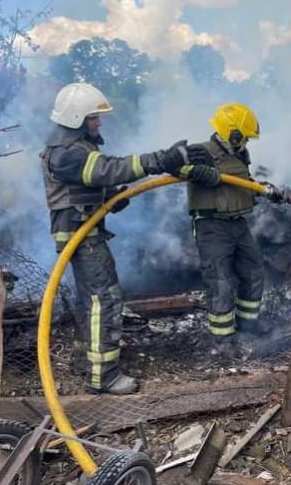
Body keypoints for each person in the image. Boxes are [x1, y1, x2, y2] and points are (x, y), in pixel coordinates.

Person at [40, 82, 214, 394]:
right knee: (105, 300)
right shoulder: (67, 154)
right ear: (77, 118)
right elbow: (108, 169)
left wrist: (109, 198)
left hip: (84, 231)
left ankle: (88, 362)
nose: (99, 123)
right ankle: (104, 376)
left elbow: (92, 182)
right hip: (82, 236)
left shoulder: (73, 148)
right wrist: (162, 159)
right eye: (93, 118)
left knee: (91, 301)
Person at [178, 103, 284, 349]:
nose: (246, 143)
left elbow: (242, 184)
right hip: (212, 226)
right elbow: (174, 167)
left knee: (254, 269)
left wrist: (264, 190)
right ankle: (223, 338)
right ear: (232, 133)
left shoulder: (239, 154)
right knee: (220, 281)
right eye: (244, 137)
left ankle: (248, 324)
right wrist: (197, 172)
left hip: (238, 223)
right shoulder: (201, 152)